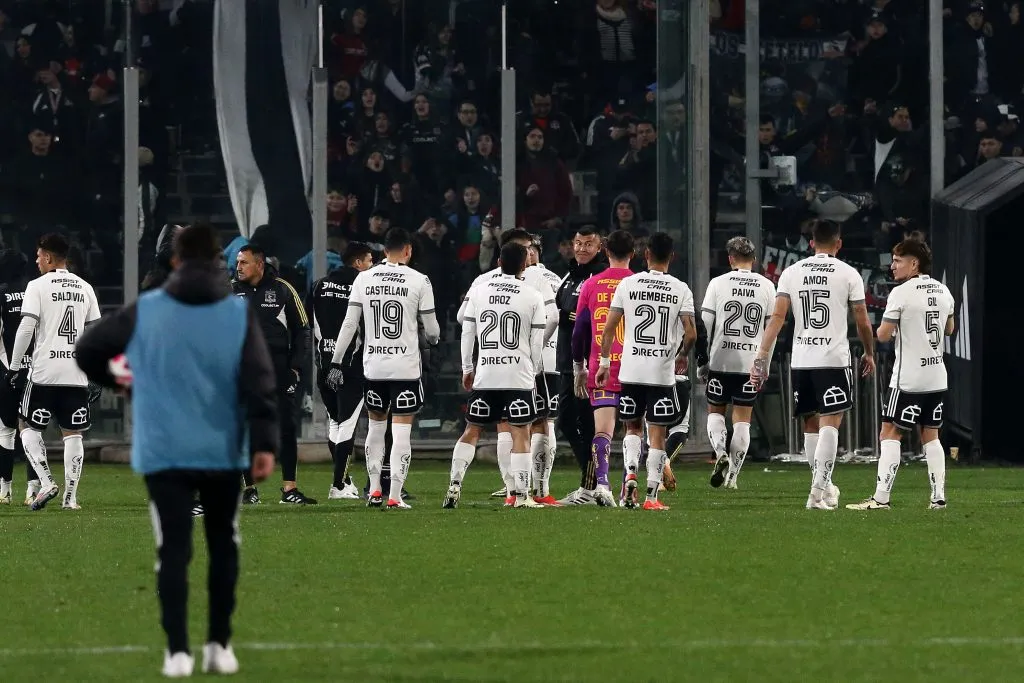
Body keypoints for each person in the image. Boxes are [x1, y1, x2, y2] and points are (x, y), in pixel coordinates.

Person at [75, 223, 279, 677]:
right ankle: (219, 646)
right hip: (222, 448)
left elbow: (88, 349)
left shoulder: (147, 309)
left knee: (173, 549)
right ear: (217, 263)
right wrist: (264, 444)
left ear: (173, 261)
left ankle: (177, 652)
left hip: (163, 448)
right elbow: (259, 382)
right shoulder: (234, 313)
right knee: (224, 546)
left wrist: (125, 381)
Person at [751, 221, 876, 510]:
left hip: (802, 360)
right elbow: (861, 319)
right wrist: (869, 352)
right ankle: (816, 493)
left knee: (810, 425)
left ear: (810, 243)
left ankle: (822, 486)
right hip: (832, 359)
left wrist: (762, 355)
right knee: (831, 422)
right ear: (838, 244)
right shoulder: (848, 273)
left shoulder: (792, 272)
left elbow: (778, 317)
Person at [327, 228, 439, 509]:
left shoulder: (364, 278)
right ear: (408, 250)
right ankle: (395, 496)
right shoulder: (419, 280)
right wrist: (429, 338)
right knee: (401, 433)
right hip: (405, 369)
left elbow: (349, 325)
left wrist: (336, 361)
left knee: (375, 429)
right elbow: (434, 331)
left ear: (384, 250)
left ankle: (374, 490)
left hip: (373, 367)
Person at [847, 237, 954, 510]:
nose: (892, 266)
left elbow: (882, 335)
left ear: (914, 263)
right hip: (937, 377)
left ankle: (881, 498)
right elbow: (950, 329)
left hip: (908, 379)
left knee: (890, 434)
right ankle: (938, 498)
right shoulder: (944, 291)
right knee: (931, 436)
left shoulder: (901, 293)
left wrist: (882, 328)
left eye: (898, 260)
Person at [454, 229, 558, 502]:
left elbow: (462, 319)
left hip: (487, 369)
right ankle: (533, 492)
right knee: (534, 425)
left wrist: (468, 365)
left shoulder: (480, 283)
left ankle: (486, 487)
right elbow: (553, 317)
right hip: (524, 369)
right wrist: (531, 359)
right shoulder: (536, 282)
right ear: (523, 259)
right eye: (527, 248)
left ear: (499, 258)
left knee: (481, 427)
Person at [596, 232, 696, 511]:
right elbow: (691, 334)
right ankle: (651, 497)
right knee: (657, 435)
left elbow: (608, 328)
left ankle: (629, 474)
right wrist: (681, 357)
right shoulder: (681, 289)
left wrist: (604, 364)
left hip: (631, 371)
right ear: (672, 257)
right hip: (660, 374)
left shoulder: (628, 284)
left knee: (632, 427)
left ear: (646, 255)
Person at [7, 233, 101, 511]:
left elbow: (26, 328)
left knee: (26, 426)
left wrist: (14, 367)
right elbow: (96, 331)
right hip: (76, 373)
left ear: (48, 257)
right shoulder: (85, 287)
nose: (36, 261)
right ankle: (70, 499)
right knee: (73, 434)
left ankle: (47, 482)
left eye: (38, 256)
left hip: (45, 372)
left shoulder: (36, 286)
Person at [232, 243, 314, 505]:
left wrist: (296, 367)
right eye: (237, 263)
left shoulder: (283, 289)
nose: (238, 267)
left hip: (278, 370)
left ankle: (289, 489)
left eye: (243, 262)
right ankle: (249, 489)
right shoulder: (229, 291)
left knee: (286, 429)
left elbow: (303, 329)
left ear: (259, 263)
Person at [699, 236, 776, 489]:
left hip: (720, 361)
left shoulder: (718, 284)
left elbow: (705, 325)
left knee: (716, 412)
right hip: (750, 363)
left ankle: (720, 451)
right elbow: (770, 331)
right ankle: (732, 477)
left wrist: (703, 360)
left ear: (730, 258)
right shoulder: (766, 286)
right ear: (753, 259)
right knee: (742, 419)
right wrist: (763, 364)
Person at [566, 230, 635, 507]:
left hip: (601, 368)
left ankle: (602, 485)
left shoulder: (592, 284)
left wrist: (578, 366)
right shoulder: (638, 283)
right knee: (634, 430)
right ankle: (629, 486)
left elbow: (579, 331)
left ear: (605, 251)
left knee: (602, 431)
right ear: (633, 253)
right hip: (635, 368)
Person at [307, 241, 374, 500]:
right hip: (350, 364)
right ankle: (338, 485)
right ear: (357, 263)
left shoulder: (319, 285)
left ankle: (344, 482)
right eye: (368, 261)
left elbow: (310, 323)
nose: (371, 266)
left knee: (334, 423)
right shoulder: (361, 286)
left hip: (323, 363)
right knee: (347, 426)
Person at [553, 227, 606, 502]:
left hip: (586, 363)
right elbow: (565, 314)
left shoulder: (598, 278)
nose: (582, 249)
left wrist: (563, 315)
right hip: (566, 362)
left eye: (588, 244)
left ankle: (591, 487)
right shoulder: (570, 276)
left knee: (585, 424)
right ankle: (594, 483)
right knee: (564, 423)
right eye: (578, 243)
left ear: (599, 248)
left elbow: (583, 319)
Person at [526, 235, 564, 504]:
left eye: (529, 250)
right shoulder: (558, 280)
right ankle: (533, 483)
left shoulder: (529, 279)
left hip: (536, 361)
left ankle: (536, 485)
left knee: (536, 422)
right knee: (541, 422)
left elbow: (556, 317)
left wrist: (536, 345)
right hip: (551, 360)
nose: (527, 255)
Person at [0, 250, 30, 504]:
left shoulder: (1, 293)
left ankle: (5, 490)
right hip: (35, 369)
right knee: (32, 429)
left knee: (5, 430)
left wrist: (9, 366)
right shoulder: (34, 289)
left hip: (9, 367)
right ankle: (33, 488)